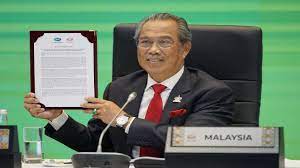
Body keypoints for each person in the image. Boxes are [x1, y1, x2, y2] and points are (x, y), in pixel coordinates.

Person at [23, 13, 234, 158]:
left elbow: (192, 143)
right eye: (145, 42)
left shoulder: (212, 92)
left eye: (164, 42)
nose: (153, 50)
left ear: (185, 48)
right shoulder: (120, 88)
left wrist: (124, 120)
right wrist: (57, 116)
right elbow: (97, 144)